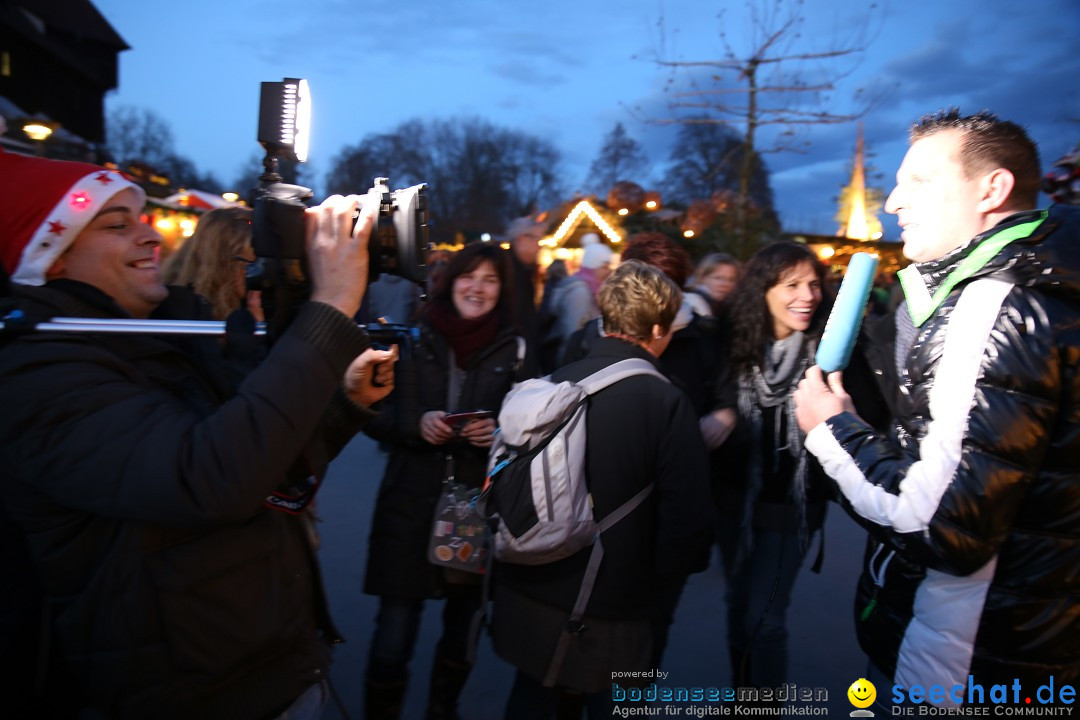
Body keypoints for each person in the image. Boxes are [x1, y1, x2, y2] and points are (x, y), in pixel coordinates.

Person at [0, 149, 397, 719]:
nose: (151, 235)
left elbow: (263, 467)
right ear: (52, 258)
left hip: (271, 661)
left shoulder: (152, 340)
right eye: (118, 225)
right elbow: (208, 478)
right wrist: (331, 305)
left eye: (143, 218)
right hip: (193, 694)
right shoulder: (38, 375)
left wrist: (341, 405)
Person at [793, 110, 1080, 701]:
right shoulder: (1047, 290)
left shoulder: (993, 303)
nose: (893, 201)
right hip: (1033, 645)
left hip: (963, 660)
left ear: (991, 189)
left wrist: (829, 428)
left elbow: (939, 524)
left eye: (919, 180)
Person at [490, 260, 714, 720]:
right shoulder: (666, 401)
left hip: (529, 581)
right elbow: (687, 523)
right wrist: (661, 584)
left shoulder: (556, 381)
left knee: (529, 699)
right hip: (610, 606)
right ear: (657, 328)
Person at [361, 242, 530, 720]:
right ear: (449, 280)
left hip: (475, 505)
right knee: (394, 634)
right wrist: (414, 424)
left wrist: (499, 431)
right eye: (468, 276)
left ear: (503, 290)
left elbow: (532, 423)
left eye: (490, 280)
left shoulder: (514, 347)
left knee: (462, 630)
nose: (477, 288)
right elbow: (371, 411)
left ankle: (442, 709)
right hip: (410, 501)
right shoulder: (410, 337)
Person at [714, 241, 885, 693]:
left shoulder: (839, 355)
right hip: (734, 503)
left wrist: (844, 413)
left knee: (764, 620)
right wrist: (726, 410)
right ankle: (743, 697)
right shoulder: (735, 343)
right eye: (792, 284)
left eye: (813, 284)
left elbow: (871, 421)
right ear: (763, 291)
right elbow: (708, 389)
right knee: (737, 608)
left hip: (793, 507)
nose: (808, 295)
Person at [161, 205, 260, 321]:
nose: (261, 272)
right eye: (254, 262)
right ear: (225, 263)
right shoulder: (183, 312)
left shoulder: (174, 297)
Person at [546, 233, 615, 363]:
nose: (609, 271)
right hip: (573, 361)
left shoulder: (591, 288)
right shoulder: (580, 292)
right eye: (605, 266)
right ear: (593, 268)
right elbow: (574, 335)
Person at [504, 215, 547, 364]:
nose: (540, 246)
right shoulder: (506, 271)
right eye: (538, 240)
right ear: (522, 239)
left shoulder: (524, 270)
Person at [687, 252, 741, 316]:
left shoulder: (729, 308)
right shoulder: (691, 307)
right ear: (702, 278)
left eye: (731, 280)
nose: (725, 284)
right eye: (718, 278)